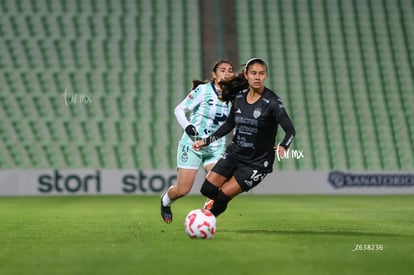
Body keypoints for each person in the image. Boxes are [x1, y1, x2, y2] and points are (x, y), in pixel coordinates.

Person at [193, 58, 296, 217]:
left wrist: (284, 145)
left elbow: (290, 130)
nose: (257, 77)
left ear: (266, 76)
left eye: (261, 74)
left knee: (222, 198)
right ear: (246, 75)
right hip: (234, 154)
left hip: (257, 163)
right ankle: (218, 199)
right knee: (206, 190)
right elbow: (229, 124)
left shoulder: (273, 102)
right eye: (253, 73)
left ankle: (208, 221)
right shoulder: (239, 98)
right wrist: (206, 141)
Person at [160, 59, 235, 223]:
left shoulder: (235, 96)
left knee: (220, 184)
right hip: (193, 145)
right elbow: (179, 109)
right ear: (214, 75)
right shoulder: (203, 90)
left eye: (230, 70)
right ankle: (165, 201)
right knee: (182, 190)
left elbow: (233, 122)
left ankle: (206, 215)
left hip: (216, 147)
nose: (227, 73)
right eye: (222, 70)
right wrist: (187, 126)